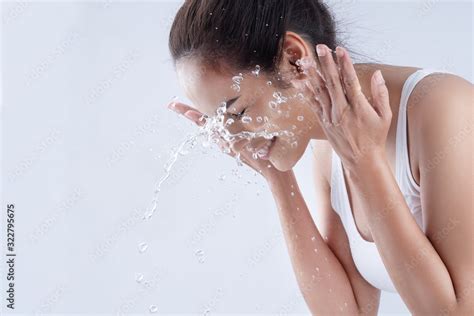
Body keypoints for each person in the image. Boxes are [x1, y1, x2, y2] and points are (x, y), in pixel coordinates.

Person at [166, 0, 473, 314]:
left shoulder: (444, 109)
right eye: (221, 123)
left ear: (294, 59)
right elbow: (349, 311)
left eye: (238, 112)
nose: (234, 137)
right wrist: (276, 176)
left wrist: (364, 162)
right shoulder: (329, 141)